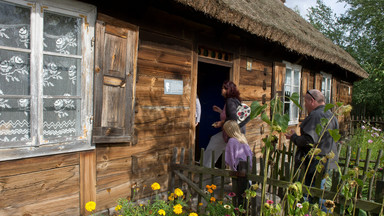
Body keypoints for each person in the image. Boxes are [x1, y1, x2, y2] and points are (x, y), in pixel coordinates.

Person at [285, 89, 338, 211]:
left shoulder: (315, 115)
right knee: (323, 195)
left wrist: (293, 137)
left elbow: (308, 140)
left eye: (305, 102)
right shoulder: (331, 114)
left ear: (312, 101)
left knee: (311, 194)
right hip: (329, 162)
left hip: (316, 164)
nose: (305, 105)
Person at [203, 81, 249, 167]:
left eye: (223, 88)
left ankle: (206, 167)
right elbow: (231, 114)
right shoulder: (235, 100)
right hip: (237, 132)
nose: (222, 90)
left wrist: (221, 123)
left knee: (214, 143)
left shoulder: (230, 101)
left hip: (232, 132)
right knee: (231, 151)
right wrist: (220, 111)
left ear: (228, 90)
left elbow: (233, 118)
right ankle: (208, 165)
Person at [223, 120, 253, 206]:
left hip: (239, 167)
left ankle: (240, 209)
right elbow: (249, 153)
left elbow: (231, 156)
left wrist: (232, 167)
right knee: (245, 189)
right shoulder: (242, 138)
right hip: (246, 165)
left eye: (225, 130)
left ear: (229, 130)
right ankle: (245, 207)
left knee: (240, 191)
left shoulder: (231, 141)